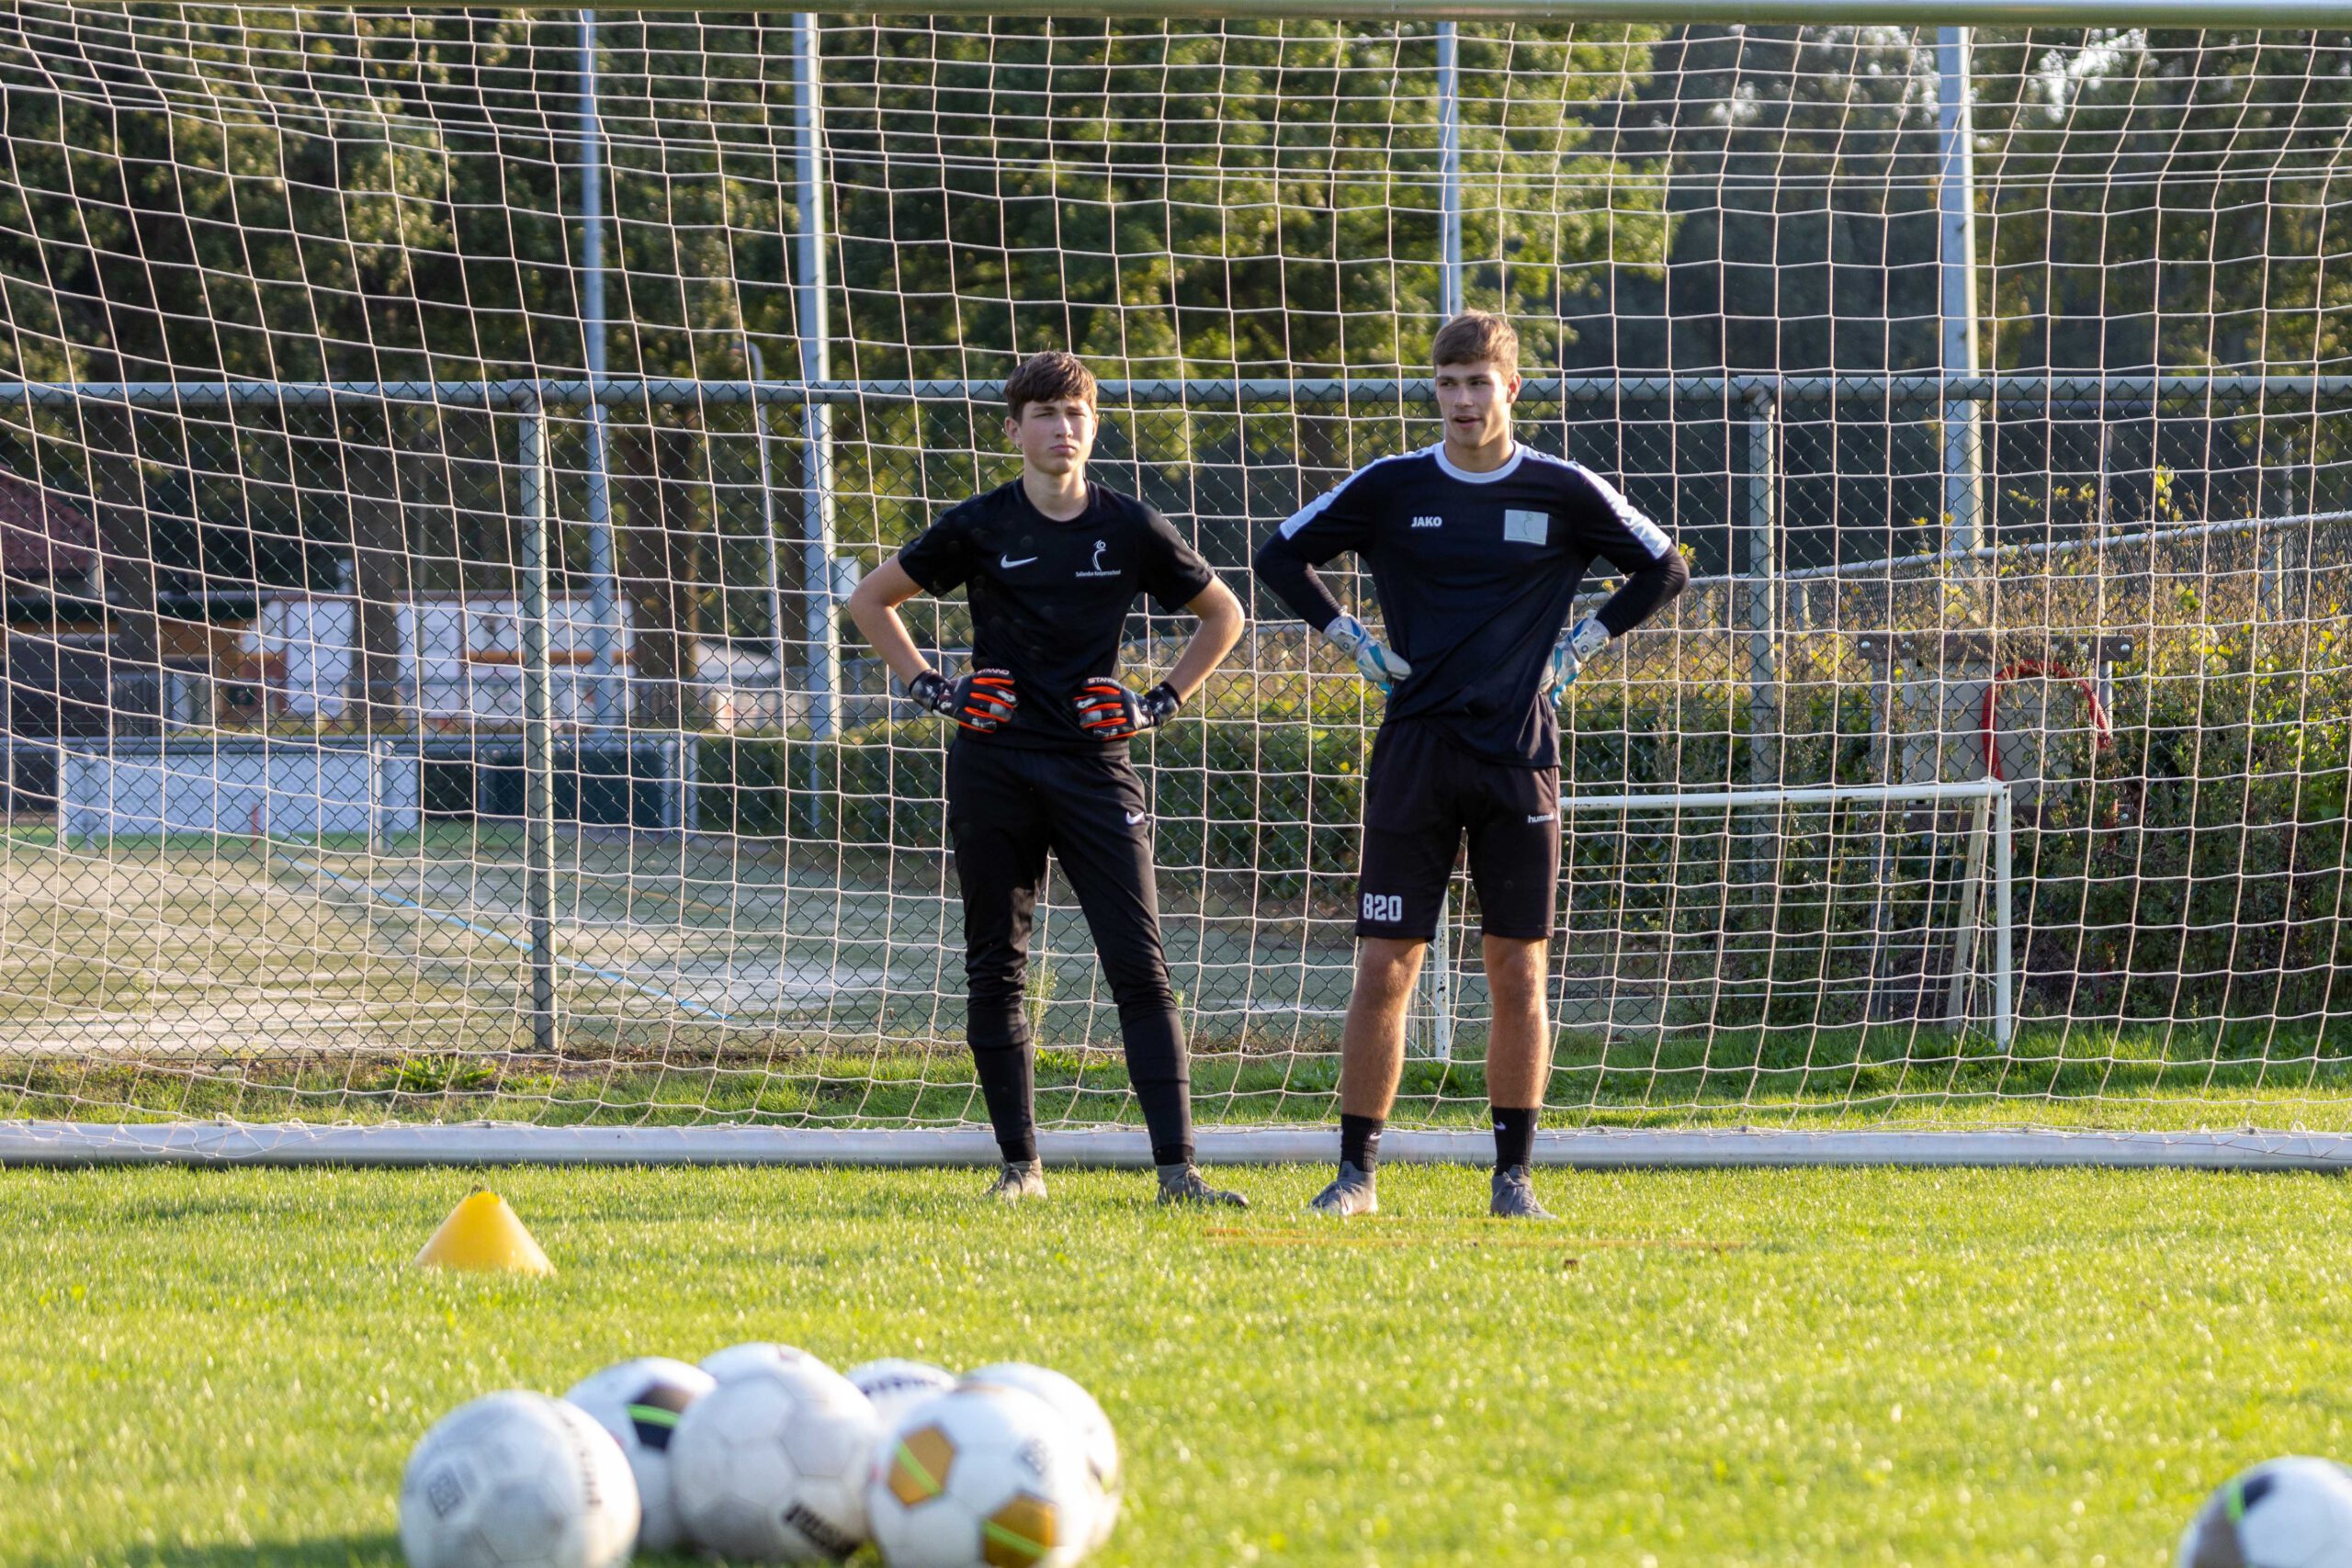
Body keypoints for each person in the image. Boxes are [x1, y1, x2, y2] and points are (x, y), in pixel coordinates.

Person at [1251, 310, 1689, 1219]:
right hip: (1413, 753)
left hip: (1516, 757)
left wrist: (1586, 638)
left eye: (1476, 382)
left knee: (1516, 969)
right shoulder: (1392, 484)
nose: (1460, 400)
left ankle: (1512, 1177)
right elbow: (1277, 555)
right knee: (1384, 967)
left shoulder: (1562, 489)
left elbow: (1664, 566)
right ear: (1434, 388)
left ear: (1510, 389)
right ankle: (1355, 1175)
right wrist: (1344, 634)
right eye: (1447, 383)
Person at [845, 350, 1250, 1206]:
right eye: (1044, 414)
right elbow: (870, 599)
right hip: (994, 765)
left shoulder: (1131, 525)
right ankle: (1020, 1168)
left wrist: (1157, 703)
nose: (1062, 428)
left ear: (1093, 426)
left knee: (1140, 966)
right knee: (995, 964)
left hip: (1097, 768)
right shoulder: (980, 524)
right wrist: (934, 689)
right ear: (1014, 429)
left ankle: (1179, 1173)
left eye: (1076, 414)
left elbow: (1225, 614)